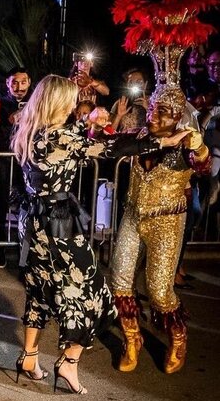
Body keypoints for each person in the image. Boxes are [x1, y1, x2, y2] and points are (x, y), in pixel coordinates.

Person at [10, 74, 187, 394]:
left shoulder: (29, 129)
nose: (74, 105)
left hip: (32, 222)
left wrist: (88, 122)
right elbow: (111, 147)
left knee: (38, 291)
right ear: (57, 103)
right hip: (56, 226)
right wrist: (163, 141)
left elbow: (72, 139)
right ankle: (69, 362)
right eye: (70, 100)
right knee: (96, 299)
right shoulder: (61, 137)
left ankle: (29, 356)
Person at [110, 86, 210, 375]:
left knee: (159, 290)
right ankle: (132, 340)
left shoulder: (186, 144)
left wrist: (200, 147)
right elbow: (111, 144)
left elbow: (202, 166)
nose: (153, 116)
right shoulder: (141, 137)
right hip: (132, 216)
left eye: (162, 112)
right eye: (152, 109)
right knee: (119, 278)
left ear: (178, 118)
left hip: (166, 222)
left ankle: (178, 339)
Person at [0, 67, 31, 267]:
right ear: (7, 84)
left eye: (23, 82)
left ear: (30, 83)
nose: (19, 87)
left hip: (27, 161)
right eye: (14, 82)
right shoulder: (0, 103)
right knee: (1, 202)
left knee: (28, 203)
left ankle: (26, 246)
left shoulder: (35, 103)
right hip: (5, 159)